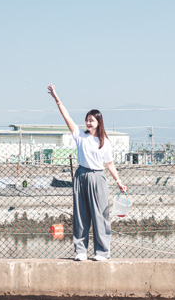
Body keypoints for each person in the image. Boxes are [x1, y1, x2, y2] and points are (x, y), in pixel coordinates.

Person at [47, 83, 126, 261]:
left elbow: (110, 164)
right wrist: (57, 99)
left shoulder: (104, 141)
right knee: (80, 214)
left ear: (98, 122)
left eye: (92, 120)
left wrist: (119, 181)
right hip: (81, 176)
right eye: (87, 119)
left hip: (98, 177)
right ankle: (80, 251)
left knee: (101, 215)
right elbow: (66, 116)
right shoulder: (79, 136)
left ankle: (102, 252)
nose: (88, 122)